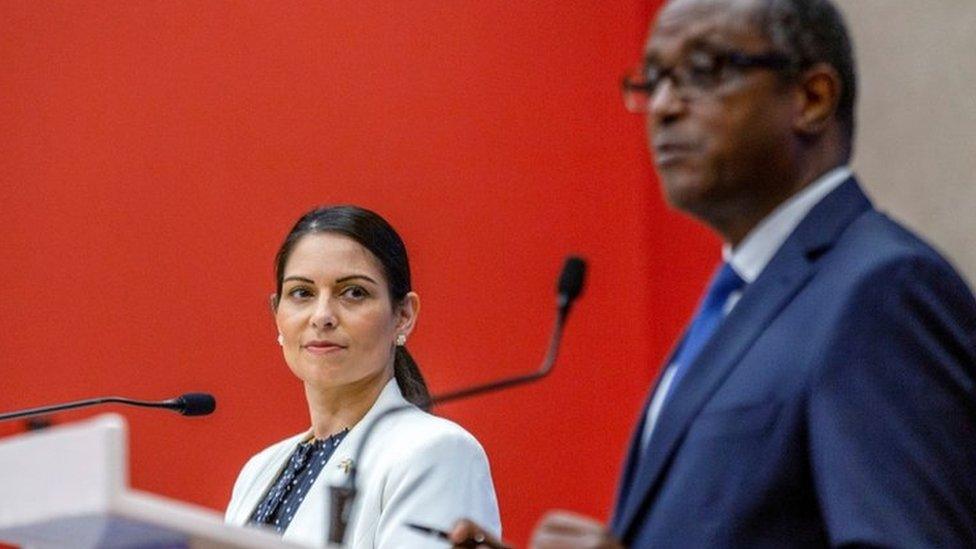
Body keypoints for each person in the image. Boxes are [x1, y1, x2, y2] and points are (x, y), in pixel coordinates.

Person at [450, 0, 976, 546]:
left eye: (704, 71)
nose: (663, 105)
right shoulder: (743, 295)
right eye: (653, 79)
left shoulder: (882, 290)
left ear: (812, 98)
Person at [225, 205, 501, 547]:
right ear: (276, 314)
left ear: (403, 316)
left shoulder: (437, 451)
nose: (322, 316)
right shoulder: (259, 470)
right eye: (302, 293)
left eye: (353, 292)